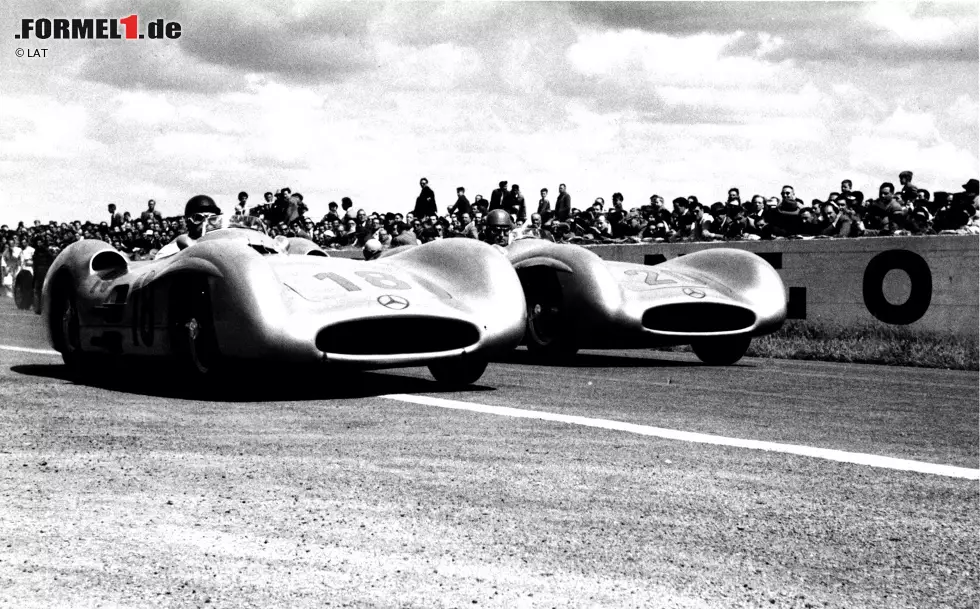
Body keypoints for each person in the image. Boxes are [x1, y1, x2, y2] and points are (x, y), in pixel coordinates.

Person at [154, 195, 222, 259]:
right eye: (199, 218)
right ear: (187, 221)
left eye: (213, 219)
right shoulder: (170, 250)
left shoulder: (222, 247)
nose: (206, 223)